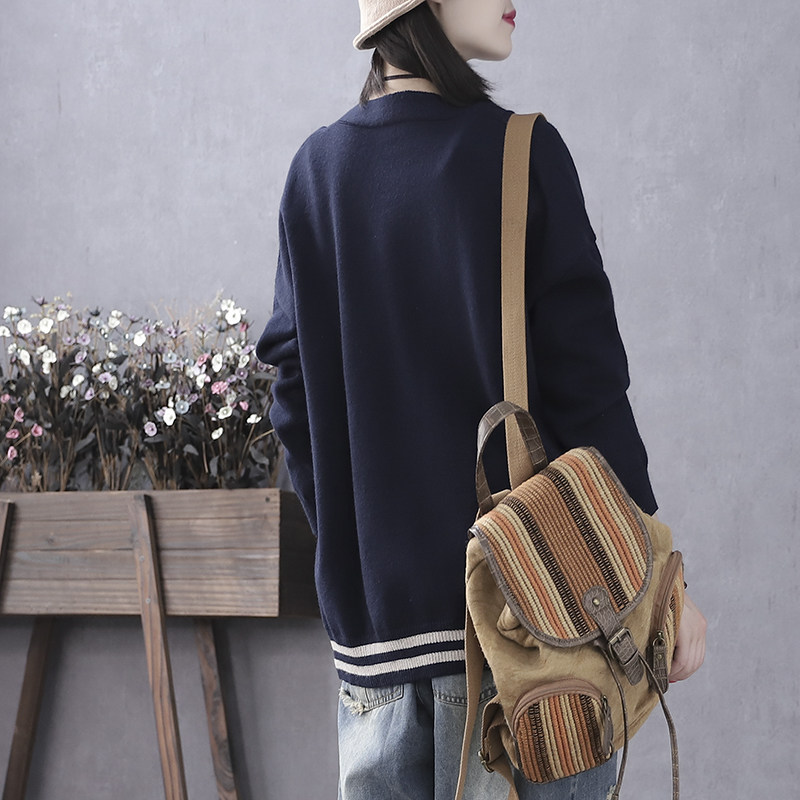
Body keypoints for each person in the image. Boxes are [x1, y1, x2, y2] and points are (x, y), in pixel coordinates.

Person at [257, 1, 707, 798]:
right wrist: (659, 582)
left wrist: (362, 560)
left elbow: (292, 403)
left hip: (375, 659)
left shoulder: (314, 174)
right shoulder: (520, 152)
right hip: (531, 642)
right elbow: (589, 390)